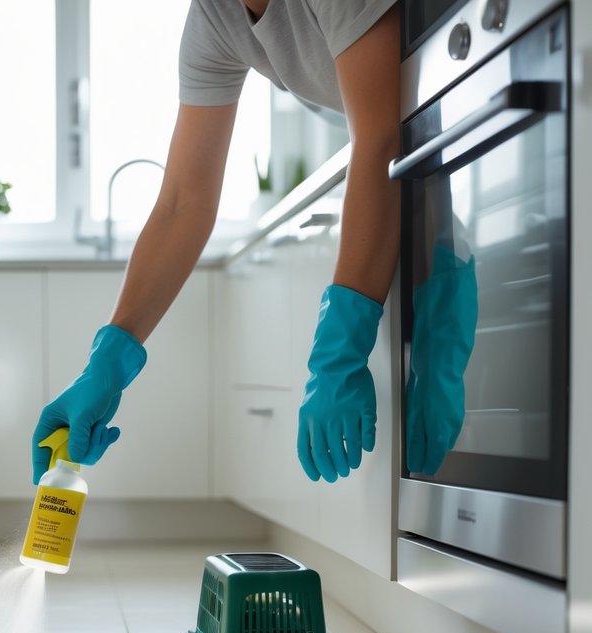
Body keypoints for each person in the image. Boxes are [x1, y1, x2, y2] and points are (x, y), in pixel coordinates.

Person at [32, 0, 401, 485]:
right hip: (423, 151)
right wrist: (106, 364)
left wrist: (341, 348)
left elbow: (381, 135)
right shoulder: (215, 16)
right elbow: (184, 202)